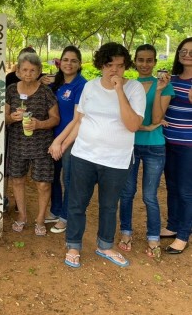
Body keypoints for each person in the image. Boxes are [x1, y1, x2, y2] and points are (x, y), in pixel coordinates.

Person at [55, 42, 145, 268]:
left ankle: (105, 245)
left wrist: (119, 91)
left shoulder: (134, 89)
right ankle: (73, 245)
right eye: (109, 65)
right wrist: (63, 142)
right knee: (77, 203)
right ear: (100, 65)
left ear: (126, 67)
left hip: (116, 160)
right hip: (84, 155)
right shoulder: (90, 87)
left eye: (120, 66)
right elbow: (80, 119)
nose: (114, 70)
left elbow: (133, 124)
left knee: (108, 205)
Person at [116, 44, 174, 259]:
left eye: (149, 60)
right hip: (130, 144)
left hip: (155, 146)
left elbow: (157, 118)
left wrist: (158, 91)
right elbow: (125, 117)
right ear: (134, 61)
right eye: (140, 60)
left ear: (155, 63)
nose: (144, 64)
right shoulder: (128, 85)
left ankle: (153, 237)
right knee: (127, 193)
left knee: (150, 196)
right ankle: (126, 232)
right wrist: (144, 126)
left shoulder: (165, 86)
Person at [6, 53, 60, 236]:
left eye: (33, 70)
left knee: (43, 184)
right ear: (18, 71)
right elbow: (3, 118)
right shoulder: (12, 90)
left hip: (41, 145)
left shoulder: (45, 91)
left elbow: (55, 118)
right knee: (17, 180)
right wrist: (11, 118)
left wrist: (39, 124)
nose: (28, 73)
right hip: (17, 144)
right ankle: (22, 215)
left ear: (38, 72)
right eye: (25, 70)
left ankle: (40, 219)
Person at [47, 46, 87, 233]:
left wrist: (62, 143)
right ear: (59, 62)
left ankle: (66, 216)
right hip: (52, 137)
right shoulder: (56, 83)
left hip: (72, 139)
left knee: (69, 179)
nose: (68, 64)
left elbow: (76, 118)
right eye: (65, 60)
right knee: (52, 176)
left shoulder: (82, 85)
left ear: (80, 64)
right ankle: (55, 210)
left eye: (73, 60)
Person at [162, 37, 192, 254]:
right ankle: (173, 225)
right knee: (172, 186)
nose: (186, 55)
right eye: (183, 51)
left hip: (188, 145)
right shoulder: (171, 79)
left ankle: (183, 233)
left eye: (191, 52)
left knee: (185, 190)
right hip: (167, 141)